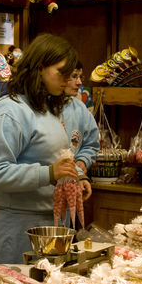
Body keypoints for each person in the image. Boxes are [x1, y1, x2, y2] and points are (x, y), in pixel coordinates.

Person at [0, 33, 81, 264]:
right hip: (17, 229)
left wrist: (73, 176)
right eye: (62, 73)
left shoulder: (45, 106)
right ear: (39, 68)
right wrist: (48, 174)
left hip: (49, 225)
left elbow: (51, 157)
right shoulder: (10, 111)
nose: (67, 80)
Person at [61, 62, 99, 209]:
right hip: (41, 195)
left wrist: (83, 160)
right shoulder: (37, 108)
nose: (80, 82)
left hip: (71, 189)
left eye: (80, 76)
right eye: (74, 76)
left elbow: (91, 143)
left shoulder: (79, 108)